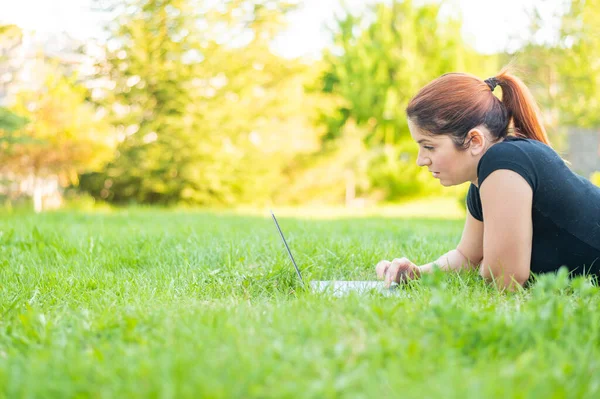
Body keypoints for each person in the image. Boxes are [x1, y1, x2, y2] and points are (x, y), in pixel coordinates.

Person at [375, 68, 600, 290]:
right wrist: (417, 274)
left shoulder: (504, 163)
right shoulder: (486, 178)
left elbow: (505, 278)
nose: (421, 160)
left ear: (474, 141)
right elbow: (467, 257)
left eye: (429, 147)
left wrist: (490, 265)